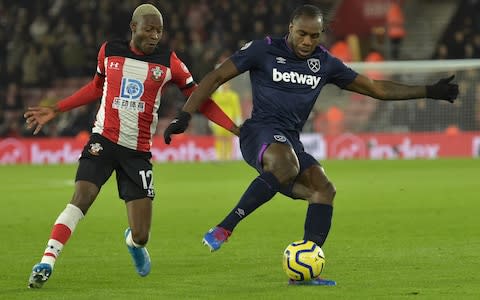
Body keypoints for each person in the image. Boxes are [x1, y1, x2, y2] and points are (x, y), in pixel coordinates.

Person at [163, 4, 459, 285]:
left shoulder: (325, 63)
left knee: (323, 189)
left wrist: (430, 91)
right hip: (259, 132)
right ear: (290, 28)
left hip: (290, 140)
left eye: (314, 35)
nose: (307, 41)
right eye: (302, 34)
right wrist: (185, 115)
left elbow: (375, 88)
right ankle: (225, 226)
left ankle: (305, 266)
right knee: (286, 164)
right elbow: (215, 77)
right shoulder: (263, 49)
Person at [24, 4, 239, 289]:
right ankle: (46, 261)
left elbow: (201, 98)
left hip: (137, 152)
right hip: (103, 139)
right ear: (133, 27)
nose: (154, 36)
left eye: (159, 31)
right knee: (82, 197)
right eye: (149, 29)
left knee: (142, 235)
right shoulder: (109, 51)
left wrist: (236, 129)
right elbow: (95, 87)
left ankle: (133, 243)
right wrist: (57, 109)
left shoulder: (169, 62)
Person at [209, 81, 242, 160]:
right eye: (224, 84)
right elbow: (212, 107)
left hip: (230, 120)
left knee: (228, 139)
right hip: (219, 121)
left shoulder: (233, 95)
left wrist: (238, 119)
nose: (225, 86)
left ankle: (228, 156)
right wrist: (210, 119)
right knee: (219, 138)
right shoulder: (217, 95)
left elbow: (236, 107)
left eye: (227, 84)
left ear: (229, 85)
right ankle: (219, 156)